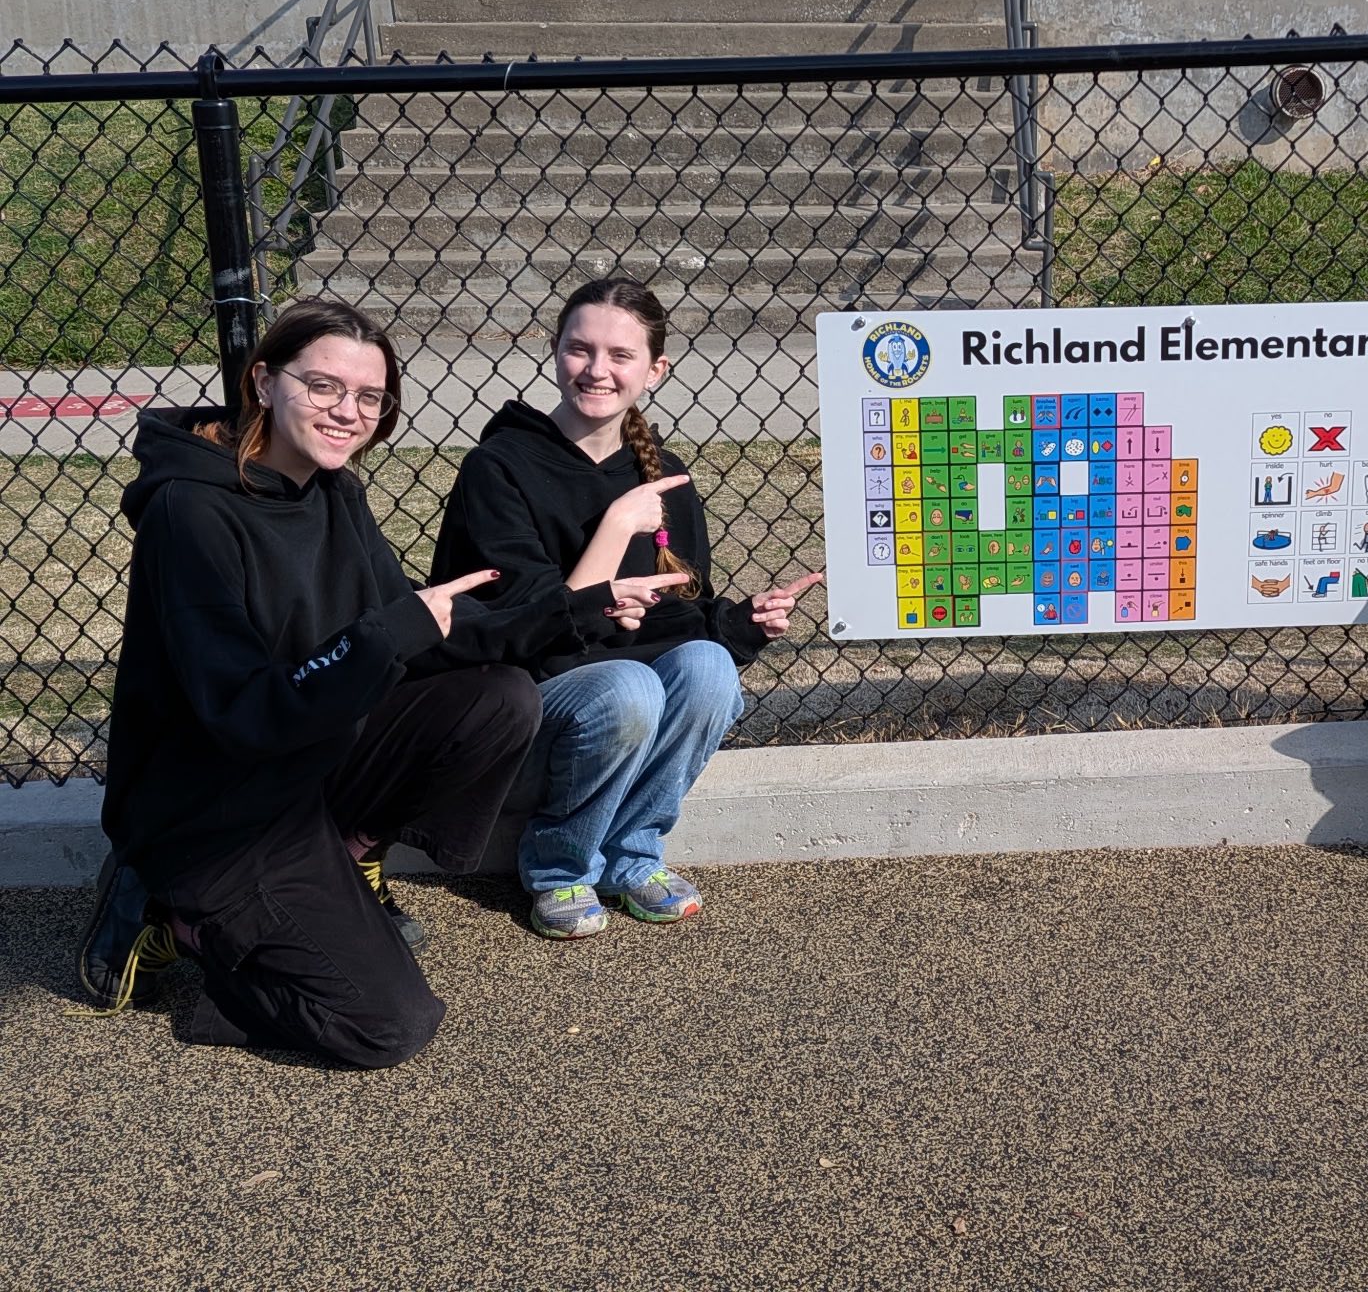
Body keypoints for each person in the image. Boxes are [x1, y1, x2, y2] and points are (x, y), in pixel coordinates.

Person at [76, 300, 675, 1068]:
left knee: (499, 696)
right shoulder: (188, 515)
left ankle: (349, 851)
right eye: (323, 386)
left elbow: (420, 634)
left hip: (306, 773)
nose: (346, 412)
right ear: (263, 379)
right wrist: (382, 637)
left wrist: (578, 606)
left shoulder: (333, 492)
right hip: (217, 811)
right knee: (387, 1026)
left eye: (368, 397)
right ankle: (174, 917)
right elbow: (247, 712)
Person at [432, 278, 823, 941]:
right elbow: (529, 636)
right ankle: (558, 866)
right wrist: (615, 529)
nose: (597, 370)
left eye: (620, 355)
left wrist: (742, 624)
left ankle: (631, 855)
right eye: (580, 349)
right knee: (628, 685)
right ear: (555, 351)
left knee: (705, 668)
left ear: (655, 369)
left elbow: (678, 617)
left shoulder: (660, 473)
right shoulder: (498, 468)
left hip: (623, 728)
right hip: (524, 715)